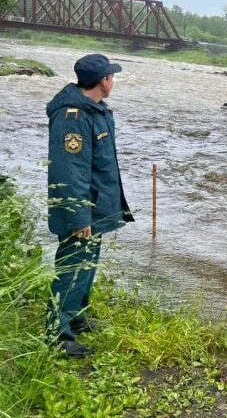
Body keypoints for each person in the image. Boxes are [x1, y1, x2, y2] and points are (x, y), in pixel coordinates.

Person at [45, 53, 134, 357]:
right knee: (72, 267)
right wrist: (79, 215)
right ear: (103, 81)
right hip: (81, 209)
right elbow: (71, 172)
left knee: (87, 264)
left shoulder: (95, 110)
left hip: (95, 206)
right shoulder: (74, 117)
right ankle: (59, 335)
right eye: (111, 75)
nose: (113, 80)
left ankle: (76, 317)